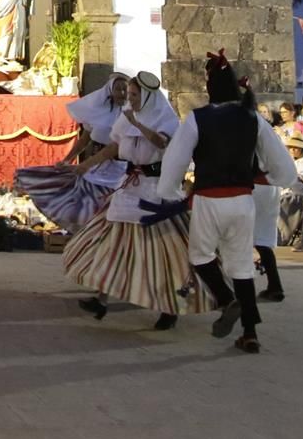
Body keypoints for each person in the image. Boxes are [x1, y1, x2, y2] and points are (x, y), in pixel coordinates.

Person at [156, 53, 296, 352]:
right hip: (243, 202)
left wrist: (170, 191)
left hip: (209, 199)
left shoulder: (199, 118)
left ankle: (224, 299)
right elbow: (283, 164)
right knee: (242, 266)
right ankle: (250, 333)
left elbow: (176, 160)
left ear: (211, 87)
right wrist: (277, 179)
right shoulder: (252, 117)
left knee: (200, 256)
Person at [63, 71, 204, 327]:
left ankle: (169, 308)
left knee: (163, 254)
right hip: (130, 186)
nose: (131, 99)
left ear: (148, 97)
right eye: (129, 95)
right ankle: (101, 299)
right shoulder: (127, 118)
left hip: (156, 190)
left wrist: (137, 124)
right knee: (114, 244)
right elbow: (113, 148)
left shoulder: (166, 119)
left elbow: (162, 144)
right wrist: (87, 165)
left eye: (135, 95)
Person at [13, 72, 131, 232]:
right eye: (118, 89)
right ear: (110, 91)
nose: (122, 93)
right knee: (86, 208)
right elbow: (84, 140)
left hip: (120, 169)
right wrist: (68, 159)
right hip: (95, 169)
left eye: (125, 89)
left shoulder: (132, 115)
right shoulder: (97, 113)